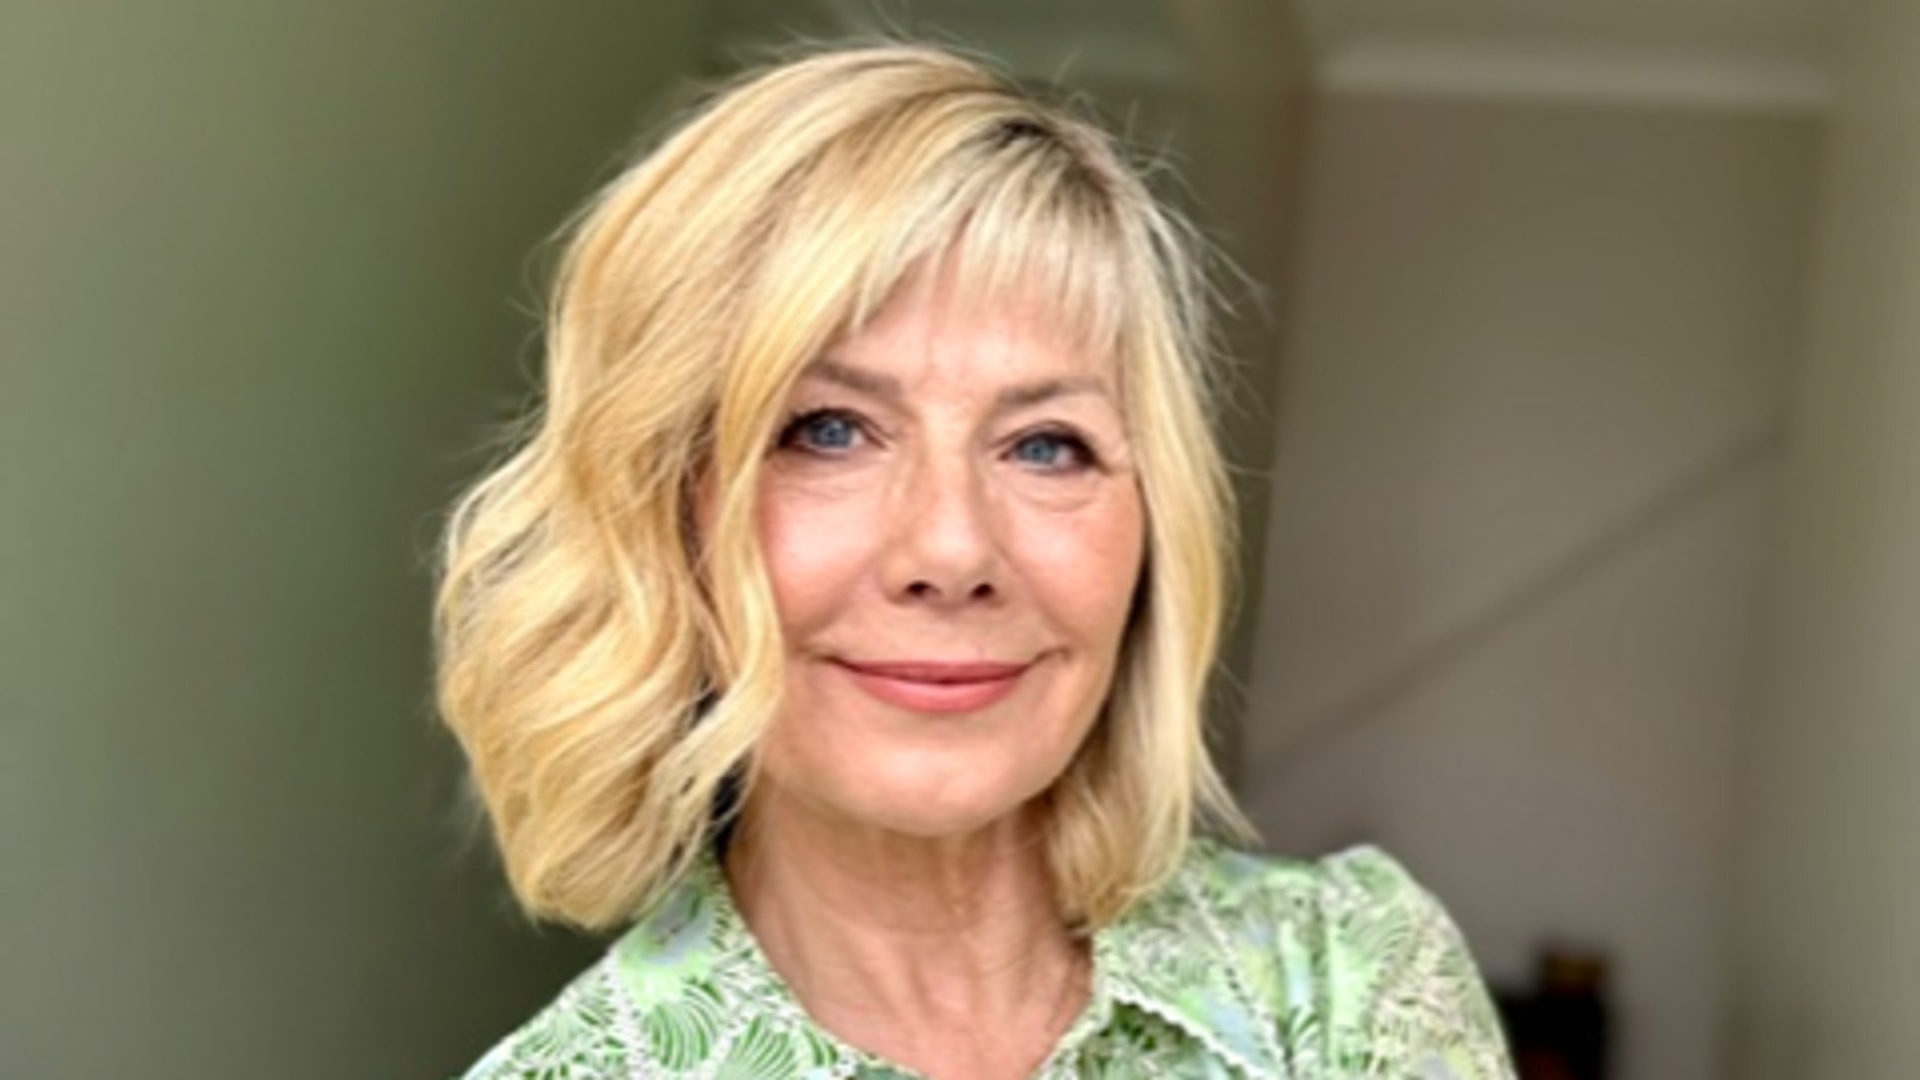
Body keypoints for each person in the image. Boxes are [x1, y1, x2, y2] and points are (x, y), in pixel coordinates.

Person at [436, 43, 1514, 1080]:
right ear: (662, 515)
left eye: (1046, 446)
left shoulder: (1352, 978)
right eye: (827, 431)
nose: (952, 551)